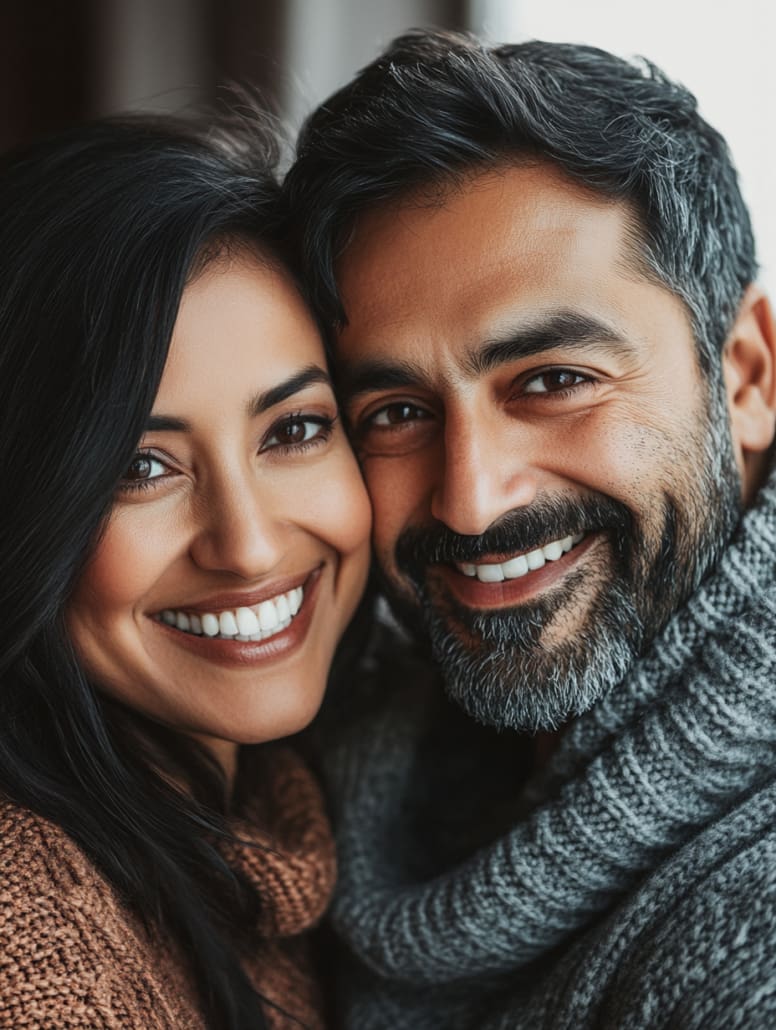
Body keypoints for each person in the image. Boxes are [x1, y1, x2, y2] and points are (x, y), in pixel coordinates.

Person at [284, 29, 776, 1029]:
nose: (470, 500)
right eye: (395, 412)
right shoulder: (328, 763)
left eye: (552, 381)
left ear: (745, 375)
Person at [0, 113, 371, 1030]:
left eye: (294, 431)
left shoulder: (315, 810)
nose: (245, 545)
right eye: (141, 468)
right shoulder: (30, 938)